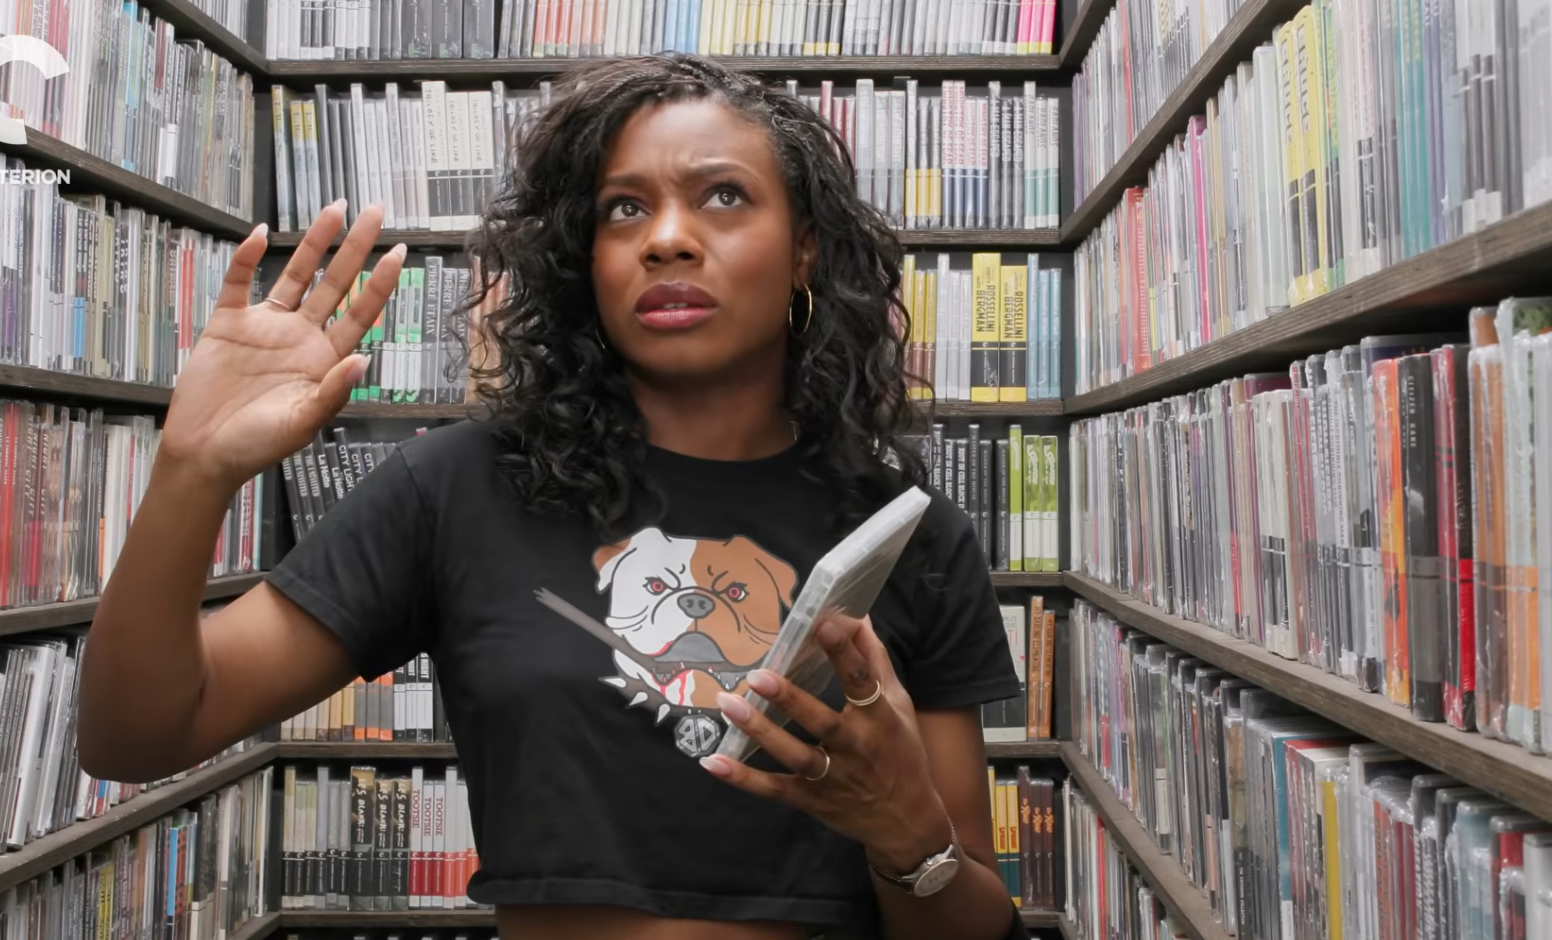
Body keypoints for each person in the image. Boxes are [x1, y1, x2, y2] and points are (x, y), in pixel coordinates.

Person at [78, 53, 1027, 940]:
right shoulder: (457, 488)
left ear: (805, 250)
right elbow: (138, 736)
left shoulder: (908, 538)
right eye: (624, 210)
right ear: (587, 260)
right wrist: (191, 470)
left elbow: (976, 922)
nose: (666, 239)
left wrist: (907, 835)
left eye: (723, 196)